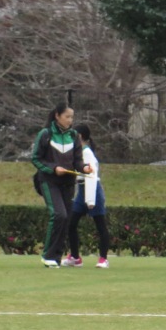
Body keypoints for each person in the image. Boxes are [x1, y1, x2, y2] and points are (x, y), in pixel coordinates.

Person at [31, 103, 90, 268]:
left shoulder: (73, 136)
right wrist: (53, 168)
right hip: (49, 181)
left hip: (68, 183)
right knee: (59, 215)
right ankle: (47, 255)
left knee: (66, 219)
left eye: (72, 117)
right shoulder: (46, 134)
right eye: (67, 117)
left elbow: (77, 160)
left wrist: (84, 168)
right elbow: (36, 159)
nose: (70, 120)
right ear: (57, 116)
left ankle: (55, 257)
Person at [63, 124, 111, 269]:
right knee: (71, 224)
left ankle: (103, 259)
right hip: (81, 191)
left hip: (93, 191)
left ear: (81, 137)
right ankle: (75, 257)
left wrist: (90, 200)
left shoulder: (87, 152)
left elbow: (91, 175)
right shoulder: (78, 152)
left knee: (100, 225)